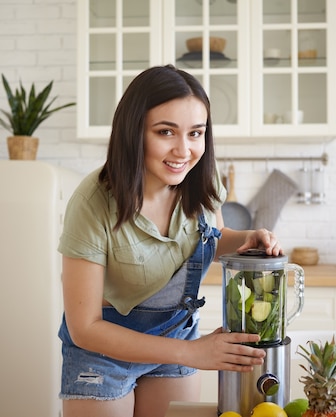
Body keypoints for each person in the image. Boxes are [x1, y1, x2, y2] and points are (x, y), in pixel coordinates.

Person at [57, 64, 283, 417]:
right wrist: (193, 354)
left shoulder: (204, 184)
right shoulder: (94, 202)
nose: (184, 151)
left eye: (196, 134)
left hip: (177, 333)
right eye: (166, 132)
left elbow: (208, 238)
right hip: (105, 349)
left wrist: (246, 238)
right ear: (134, 133)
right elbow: (84, 328)